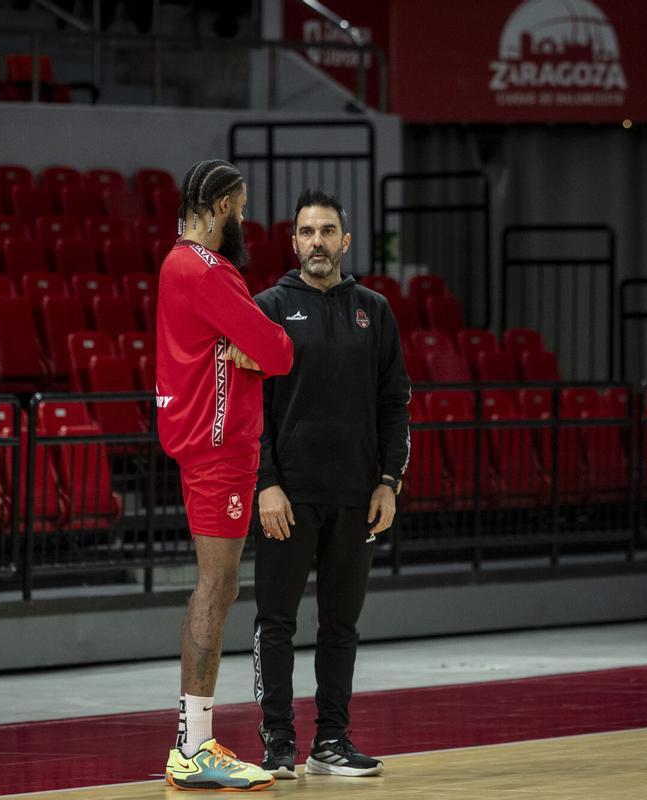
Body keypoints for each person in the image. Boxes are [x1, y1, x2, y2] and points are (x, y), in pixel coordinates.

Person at [252, 188, 411, 779]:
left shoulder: (375, 310)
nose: (316, 241)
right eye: (306, 232)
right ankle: (277, 743)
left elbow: (396, 403)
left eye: (327, 231)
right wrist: (266, 483)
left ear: (345, 240)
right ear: (293, 242)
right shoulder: (266, 307)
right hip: (287, 499)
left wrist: (388, 482)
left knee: (341, 624)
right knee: (277, 622)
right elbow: (252, 411)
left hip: (356, 496)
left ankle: (332, 742)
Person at [156, 159, 295, 791]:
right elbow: (280, 350)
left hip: (209, 447)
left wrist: (252, 351)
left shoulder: (176, 264)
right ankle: (193, 746)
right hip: (218, 451)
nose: (244, 220)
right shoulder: (209, 271)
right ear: (216, 209)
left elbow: (259, 349)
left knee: (217, 588)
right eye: (238, 207)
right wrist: (258, 353)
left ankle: (193, 740)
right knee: (215, 589)